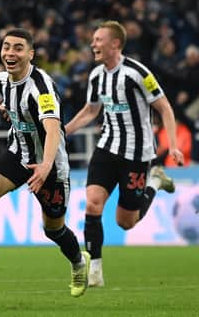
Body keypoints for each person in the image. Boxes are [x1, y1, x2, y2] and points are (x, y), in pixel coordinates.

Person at [0, 28, 90, 298]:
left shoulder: (42, 87)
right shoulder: (3, 79)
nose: (10, 53)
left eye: (17, 48)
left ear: (30, 54)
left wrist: (47, 165)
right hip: (17, 154)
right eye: (6, 47)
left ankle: (78, 262)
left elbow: (52, 128)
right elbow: (20, 108)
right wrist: (11, 111)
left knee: (54, 229)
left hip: (49, 165)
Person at [65, 20, 183, 287]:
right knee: (93, 203)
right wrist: (63, 132)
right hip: (107, 148)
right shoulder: (96, 76)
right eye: (93, 39)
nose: (93, 44)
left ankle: (154, 180)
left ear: (115, 44)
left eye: (98, 40)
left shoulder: (137, 73)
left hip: (137, 154)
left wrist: (173, 145)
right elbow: (91, 110)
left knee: (125, 222)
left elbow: (164, 107)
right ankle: (94, 270)